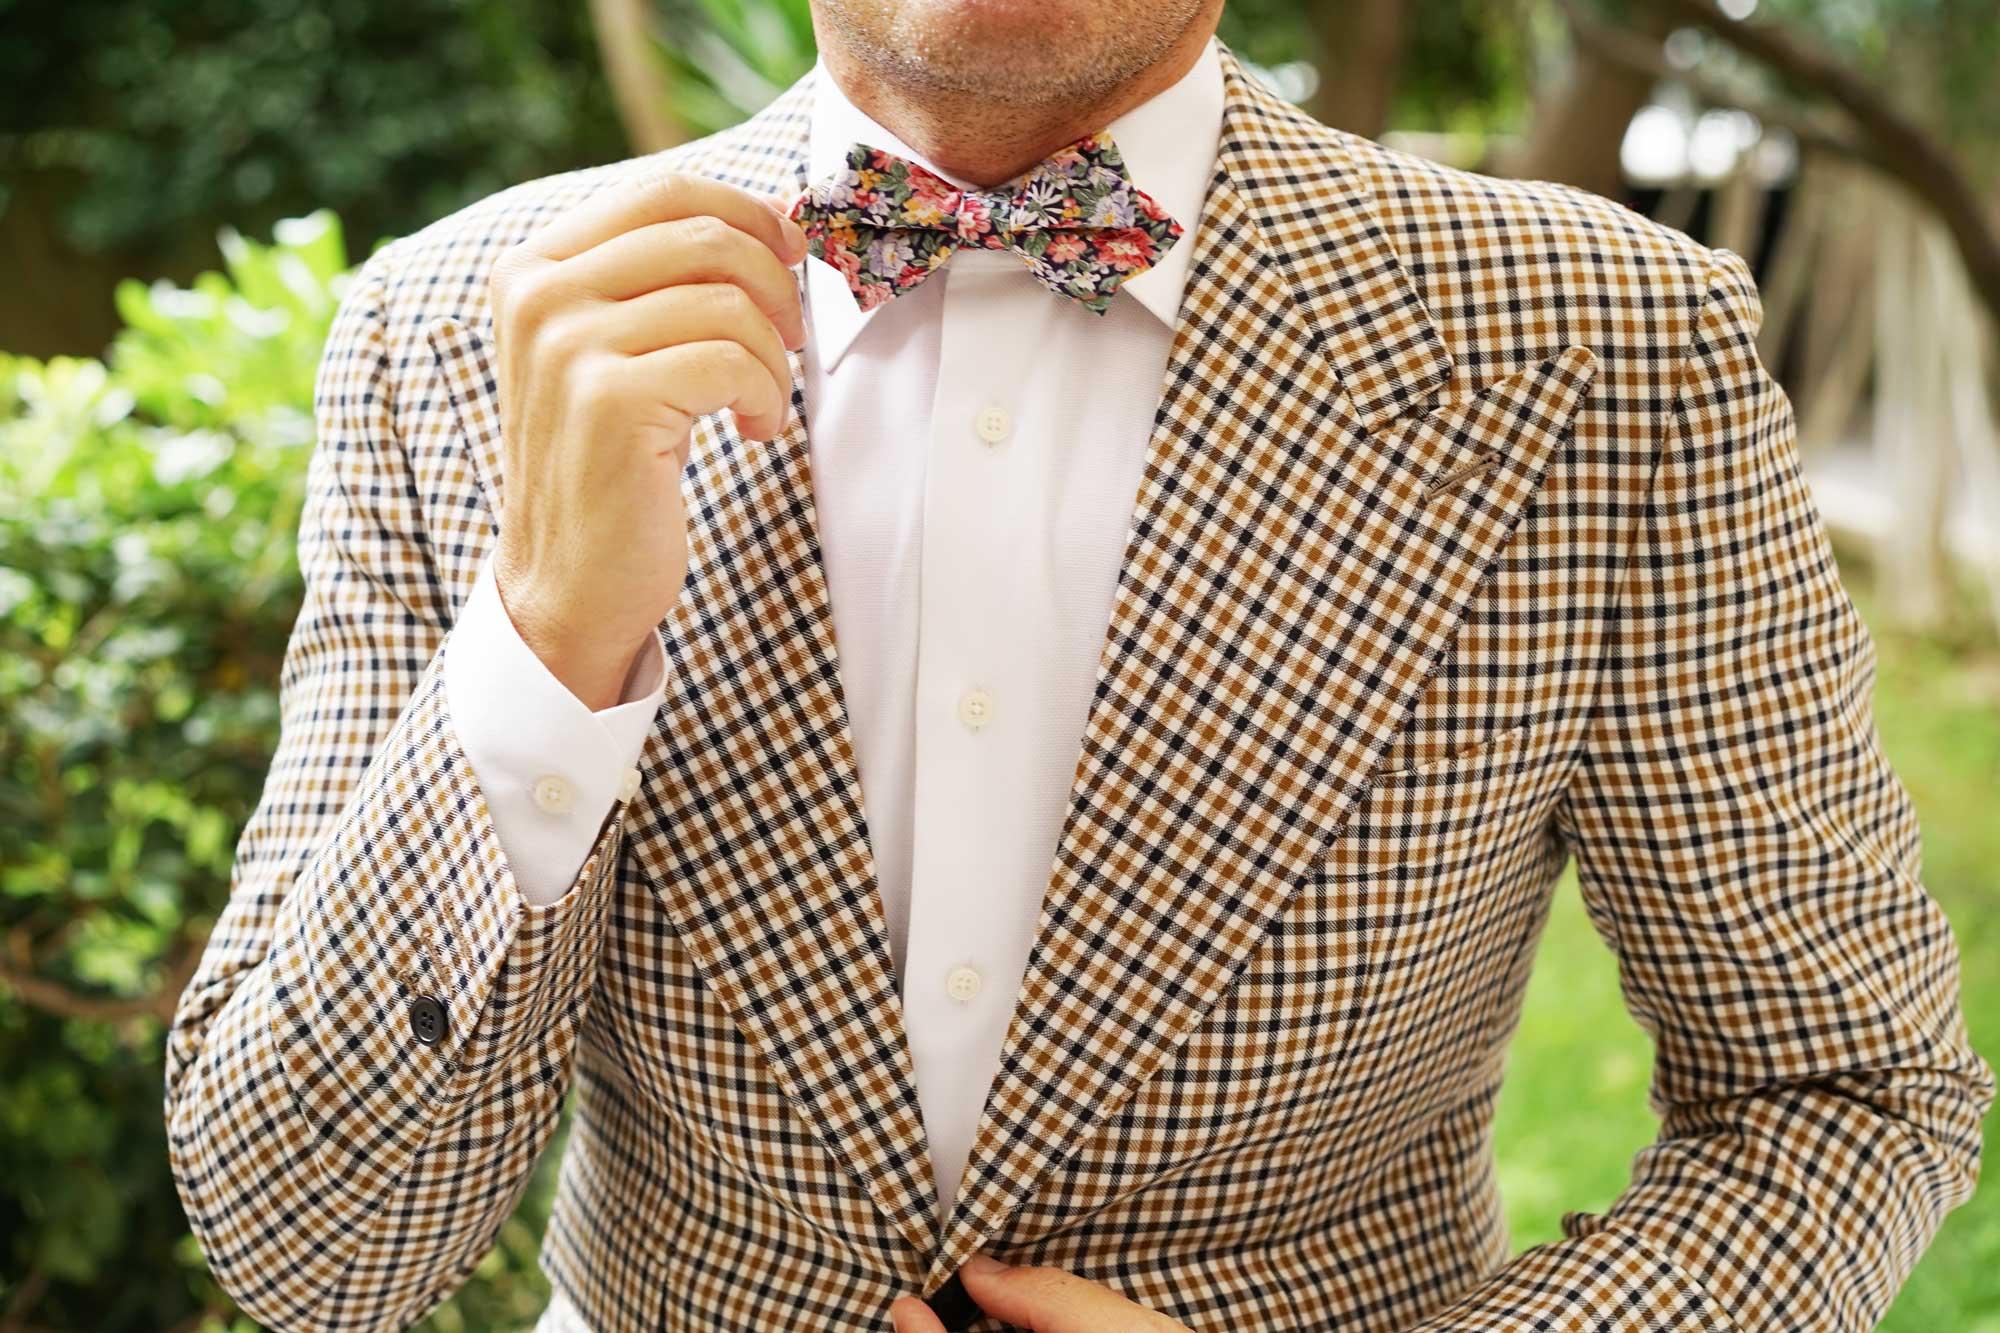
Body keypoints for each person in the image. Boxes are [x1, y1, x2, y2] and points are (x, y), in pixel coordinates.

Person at [163, 0, 1993, 1329]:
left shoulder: (1607, 347)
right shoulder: (452, 326)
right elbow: (314, 1245)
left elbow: (1841, 1094)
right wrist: (548, 642)